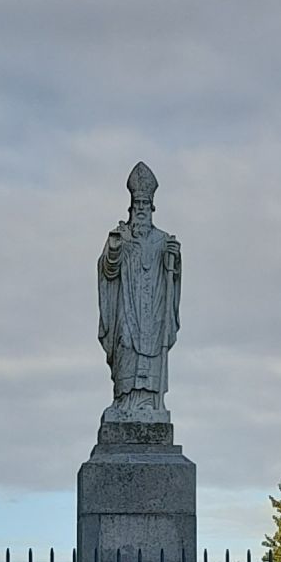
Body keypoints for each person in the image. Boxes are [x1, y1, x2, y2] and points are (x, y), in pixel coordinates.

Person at [97, 161, 181, 418]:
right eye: (138, 205)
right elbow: (108, 271)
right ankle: (124, 402)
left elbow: (173, 277)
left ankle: (151, 402)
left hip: (153, 312)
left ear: (152, 208)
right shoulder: (121, 236)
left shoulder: (162, 240)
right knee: (125, 344)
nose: (141, 209)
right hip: (127, 308)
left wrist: (174, 261)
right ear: (131, 208)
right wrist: (113, 250)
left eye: (146, 205)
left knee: (152, 352)